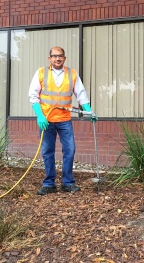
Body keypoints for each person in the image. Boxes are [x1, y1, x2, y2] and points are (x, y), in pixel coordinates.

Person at [28, 46, 97, 195]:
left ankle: (67, 182)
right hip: (46, 120)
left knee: (70, 150)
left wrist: (89, 111)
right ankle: (49, 184)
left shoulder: (72, 73)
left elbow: (81, 94)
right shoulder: (41, 73)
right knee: (47, 151)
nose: (57, 58)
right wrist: (39, 115)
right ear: (50, 58)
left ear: (64, 58)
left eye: (60, 56)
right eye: (54, 56)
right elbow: (33, 96)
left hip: (65, 120)